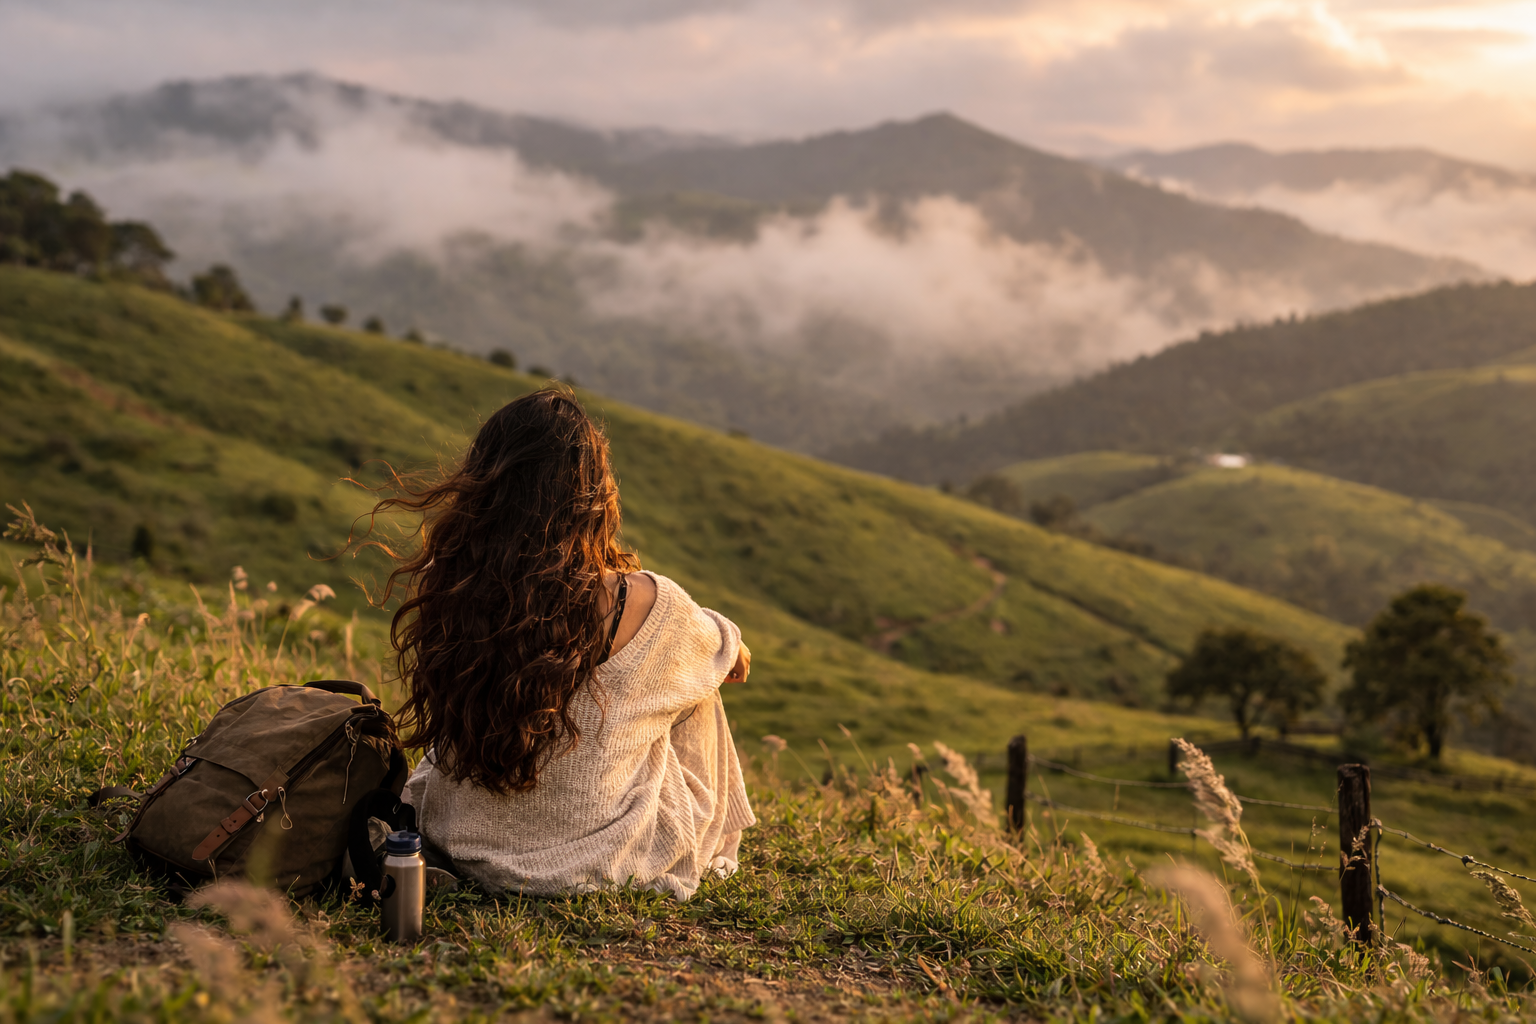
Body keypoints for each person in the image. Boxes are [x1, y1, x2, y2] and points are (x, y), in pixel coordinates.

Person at [372, 387, 755, 899]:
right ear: (594, 494)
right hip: (590, 861)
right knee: (695, 680)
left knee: (679, 664)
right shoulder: (647, 601)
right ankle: (721, 846)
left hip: (456, 843)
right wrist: (728, 638)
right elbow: (726, 655)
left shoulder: (455, 582)